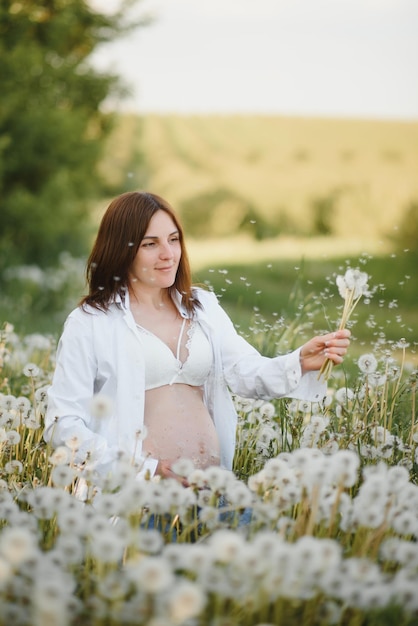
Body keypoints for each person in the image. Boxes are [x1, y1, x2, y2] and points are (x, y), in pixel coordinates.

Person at [44, 191, 350, 483]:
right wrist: (142, 470)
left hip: (211, 495)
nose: (168, 254)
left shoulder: (202, 307)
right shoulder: (92, 322)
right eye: (150, 244)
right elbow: (62, 424)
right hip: (135, 502)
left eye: (174, 240)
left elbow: (244, 371)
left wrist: (299, 361)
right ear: (122, 250)